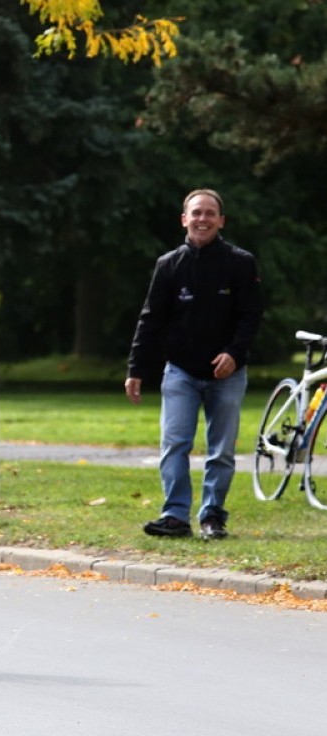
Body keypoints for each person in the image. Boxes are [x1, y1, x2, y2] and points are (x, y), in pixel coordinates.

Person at [125, 188, 263, 540]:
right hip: (181, 372)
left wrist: (234, 353)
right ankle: (174, 516)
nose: (203, 219)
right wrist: (136, 369)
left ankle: (212, 515)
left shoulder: (241, 262)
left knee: (221, 449)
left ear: (221, 221)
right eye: (196, 213)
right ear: (184, 219)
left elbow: (251, 316)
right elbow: (150, 319)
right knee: (175, 444)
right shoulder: (169, 264)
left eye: (210, 213)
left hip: (227, 375)